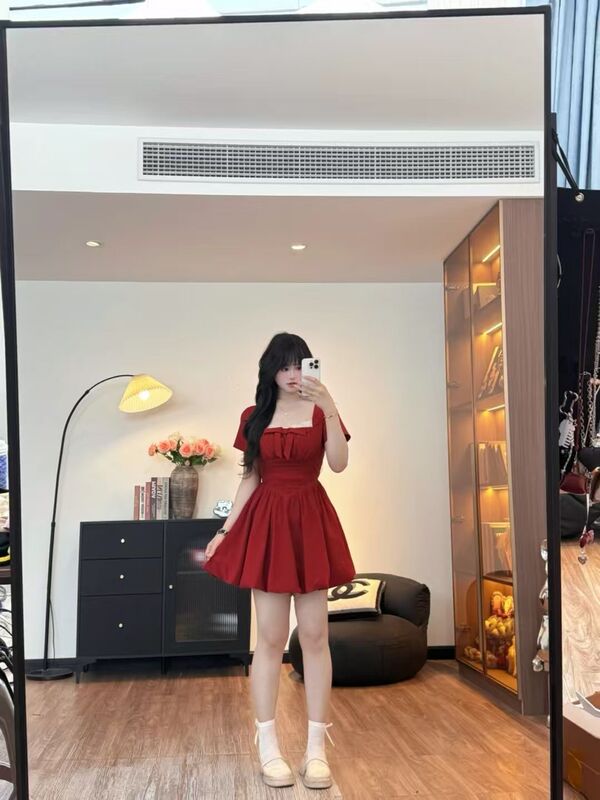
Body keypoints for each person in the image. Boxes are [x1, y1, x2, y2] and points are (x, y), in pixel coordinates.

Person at [203, 332, 356, 790]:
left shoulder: (321, 411)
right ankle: (268, 747)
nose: (292, 374)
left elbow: (339, 464)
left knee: (315, 636)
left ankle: (315, 751)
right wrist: (224, 532)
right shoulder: (253, 416)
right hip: (268, 524)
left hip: (310, 520)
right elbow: (249, 479)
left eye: (299, 365)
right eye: (284, 366)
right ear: (271, 370)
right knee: (269, 638)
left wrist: (330, 405)